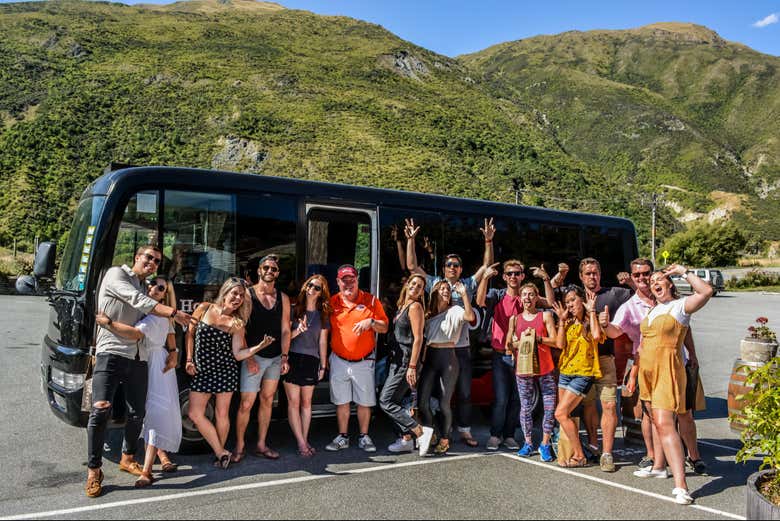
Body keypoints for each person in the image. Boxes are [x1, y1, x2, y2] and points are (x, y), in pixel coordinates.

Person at [85, 246, 193, 498]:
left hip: (139, 357)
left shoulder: (144, 286)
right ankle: (93, 471)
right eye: (148, 258)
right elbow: (141, 302)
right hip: (111, 351)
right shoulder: (116, 275)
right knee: (100, 408)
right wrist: (175, 313)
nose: (152, 263)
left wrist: (174, 349)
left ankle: (128, 457)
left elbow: (156, 316)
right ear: (136, 258)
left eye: (156, 260)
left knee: (138, 412)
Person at [606, 259, 707, 475]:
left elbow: (686, 328)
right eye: (638, 275)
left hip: (677, 363)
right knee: (653, 416)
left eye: (647, 274)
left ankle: (694, 456)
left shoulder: (671, 301)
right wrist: (602, 323)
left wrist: (694, 355)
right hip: (648, 366)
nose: (643, 278)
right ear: (632, 278)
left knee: (684, 414)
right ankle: (657, 461)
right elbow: (616, 332)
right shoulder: (631, 306)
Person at [625, 264, 713, 505]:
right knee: (655, 421)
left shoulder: (678, 307)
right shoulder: (654, 310)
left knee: (665, 422)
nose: (655, 282)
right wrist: (634, 375)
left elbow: (705, 291)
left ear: (670, 284)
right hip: (648, 372)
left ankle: (681, 486)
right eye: (652, 281)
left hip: (668, 370)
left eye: (660, 279)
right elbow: (642, 346)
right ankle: (660, 467)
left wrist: (683, 272)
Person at [405, 217, 495, 447]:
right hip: (436, 348)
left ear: (461, 268)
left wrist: (488, 241)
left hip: (461, 348)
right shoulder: (435, 283)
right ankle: (436, 431)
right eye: (449, 265)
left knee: (464, 392)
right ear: (444, 268)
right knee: (433, 395)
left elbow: (486, 268)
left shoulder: (466, 284)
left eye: (456, 265)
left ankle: (464, 430)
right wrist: (410, 240)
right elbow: (412, 268)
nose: (452, 268)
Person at [95, 276, 181, 487]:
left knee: (151, 411)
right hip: (144, 361)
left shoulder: (156, 316)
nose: (155, 289)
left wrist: (108, 323)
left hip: (153, 364)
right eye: (152, 284)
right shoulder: (140, 308)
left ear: (164, 294)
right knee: (144, 409)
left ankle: (147, 470)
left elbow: (136, 334)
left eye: (161, 288)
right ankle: (161, 455)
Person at [185, 277, 274, 469]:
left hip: (226, 371)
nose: (238, 298)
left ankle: (220, 454)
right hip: (202, 371)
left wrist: (258, 347)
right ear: (224, 293)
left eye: (241, 296)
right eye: (234, 293)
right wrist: (189, 359)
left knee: (222, 413)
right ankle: (221, 451)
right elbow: (190, 333)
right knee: (194, 413)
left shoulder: (237, 323)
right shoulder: (204, 308)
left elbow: (238, 354)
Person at [476, 260, 554, 451]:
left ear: (522, 276)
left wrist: (546, 279)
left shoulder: (526, 297)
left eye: (517, 273)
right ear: (504, 277)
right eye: (509, 273)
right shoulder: (497, 295)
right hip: (500, 354)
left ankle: (510, 435)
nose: (513, 276)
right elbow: (479, 301)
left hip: (523, 355)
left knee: (517, 399)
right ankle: (495, 435)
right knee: (501, 398)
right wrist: (485, 278)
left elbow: (550, 303)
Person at [234, 254, 292, 462]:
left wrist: (285, 356)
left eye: (273, 269)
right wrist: (248, 356)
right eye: (266, 268)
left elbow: (286, 330)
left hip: (275, 357)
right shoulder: (247, 296)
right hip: (254, 357)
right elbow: (239, 329)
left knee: (267, 400)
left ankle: (260, 444)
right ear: (259, 271)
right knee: (246, 403)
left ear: (277, 273)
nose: (269, 271)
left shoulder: (283, 298)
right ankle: (239, 446)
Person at [326, 264, 389, 452]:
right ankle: (343, 437)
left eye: (351, 280)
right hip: (338, 359)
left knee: (364, 401)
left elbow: (384, 327)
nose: (348, 284)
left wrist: (370, 322)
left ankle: (364, 436)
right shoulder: (332, 302)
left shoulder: (370, 301)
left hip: (363, 360)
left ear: (357, 280)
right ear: (337, 282)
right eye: (344, 280)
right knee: (342, 401)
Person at [579, 257, 632, 472]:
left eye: (595, 272)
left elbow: (643, 297)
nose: (592, 276)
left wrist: (629, 282)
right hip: (581, 361)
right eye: (588, 273)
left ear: (600, 274)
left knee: (609, 404)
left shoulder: (614, 294)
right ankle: (593, 444)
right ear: (581, 276)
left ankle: (607, 454)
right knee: (588, 405)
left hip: (605, 359)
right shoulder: (575, 295)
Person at [418, 281, 476, 455]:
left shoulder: (456, 310)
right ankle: (431, 430)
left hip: (448, 358)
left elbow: (470, 317)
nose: (446, 292)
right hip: (430, 358)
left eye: (448, 290)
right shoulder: (428, 313)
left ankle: (444, 438)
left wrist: (464, 294)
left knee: (444, 403)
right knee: (422, 401)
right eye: (442, 289)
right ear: (435, 292)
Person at [379, 274, 435, 454]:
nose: (415, 288)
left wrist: (412, 366)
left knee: (385, 401)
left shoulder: (415, 307)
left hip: (406, 361)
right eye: (413, 284)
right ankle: (406, 439)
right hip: (397, 360)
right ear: (407, 285)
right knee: (394, 401)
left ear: (421, 292)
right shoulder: (402, 306)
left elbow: (418, 339)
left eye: (420, 286)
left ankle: (419, 431)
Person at [551, 286, 604, 468]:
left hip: (583, 373)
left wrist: (592, 310)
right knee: (565, 415)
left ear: (582, 299)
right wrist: (561, 320)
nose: (570, 304)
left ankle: (580, 455)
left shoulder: (591, 320)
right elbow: (559, 344)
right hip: (565, 372)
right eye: (567, 302)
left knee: (560, 413)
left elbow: (597, 336)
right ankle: (571, 452)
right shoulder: (568, 322)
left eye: (573, 300)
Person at [508, 283, 558, 462]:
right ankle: (527, 442)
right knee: (526, 407)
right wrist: (515, 342)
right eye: (524, 295)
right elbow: (509, 344)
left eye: (531, 295)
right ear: (520, 298)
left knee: (550, 406)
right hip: (524, 368)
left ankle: (544, 443)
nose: (527, 298)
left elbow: (555, 341)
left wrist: (539, 339)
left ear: (537, 297)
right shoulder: (515, 319)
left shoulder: (545, 316)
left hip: (545, 367)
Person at [284, 275, 332, 458]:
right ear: (305, 287)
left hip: (312, 360)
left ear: (322, 293)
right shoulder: (294, 310)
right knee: (293, 403)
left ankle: (304, 439)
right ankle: (301, 443)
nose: (312, 289)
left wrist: (323, 366)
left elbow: (323, 342)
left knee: (306, 403)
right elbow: (285, 338)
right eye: (310, 285)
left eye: (317, 288)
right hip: (293, 358)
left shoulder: (323, 315)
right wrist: (298, 330)